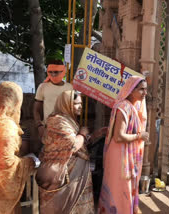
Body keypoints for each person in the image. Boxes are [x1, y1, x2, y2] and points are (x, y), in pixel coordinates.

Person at [35, 90, 96, 214]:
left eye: (81, 104)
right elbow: (72, 145)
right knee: (62, 208)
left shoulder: (69, 120)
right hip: (63, 175)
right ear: (66, 104)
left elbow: (80, 144)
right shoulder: (57, 121)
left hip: (76, 174)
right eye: (76, 104)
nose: (80, 107)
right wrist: (83, 133)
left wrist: (95, 135)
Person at [0, 82, 35, 213]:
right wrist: (27, 163)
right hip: (0, 188)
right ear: (16, 102)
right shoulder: (8, 127)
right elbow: (6, 163)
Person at [98, 76, 149, 214]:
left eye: (146, 89)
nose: (145, 93)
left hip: (123, 151)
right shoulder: (124, 107)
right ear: (131, 91)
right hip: (120, 154)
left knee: (123, 186)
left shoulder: (131, 106)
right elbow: (119, 136)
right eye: (141, 89)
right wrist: (140, 136)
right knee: (120, 186)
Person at [33, 63, 73, 139]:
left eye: (56, 72)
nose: (53, 74)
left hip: (66, 128)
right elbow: (36, 109)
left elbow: (72, 109)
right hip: (47, 128)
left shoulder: (69, 87)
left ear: (63, 72)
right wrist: (39, 126)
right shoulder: (43, 86)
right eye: (50, 72)